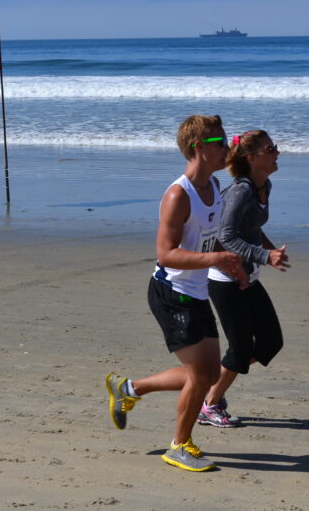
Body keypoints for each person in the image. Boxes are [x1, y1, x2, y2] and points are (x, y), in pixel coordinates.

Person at [105, 114, 247, 472]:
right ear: (199, 148)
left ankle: (129, 389)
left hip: (196, 291)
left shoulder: (214, 186)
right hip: (171, 292)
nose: (227, 147)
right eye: (220, 143)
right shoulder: (177, 195)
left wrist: (234, 263)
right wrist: (216, 258)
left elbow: (214, 238)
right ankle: (179, 446)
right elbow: (166, 254)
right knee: (201, 375)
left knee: (210, 373)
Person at [197, 130, 290, 428]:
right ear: (252, 158)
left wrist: (269, 249)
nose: (277, 152)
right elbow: (226, 236)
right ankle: (210, 403)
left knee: (270, 342)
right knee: (240, 349)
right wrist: (265, 256)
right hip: (224, 278)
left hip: (247, 275)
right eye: (271, 148)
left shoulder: (266, 185)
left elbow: (249, 228)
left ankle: (214, 388)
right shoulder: (241, 190)